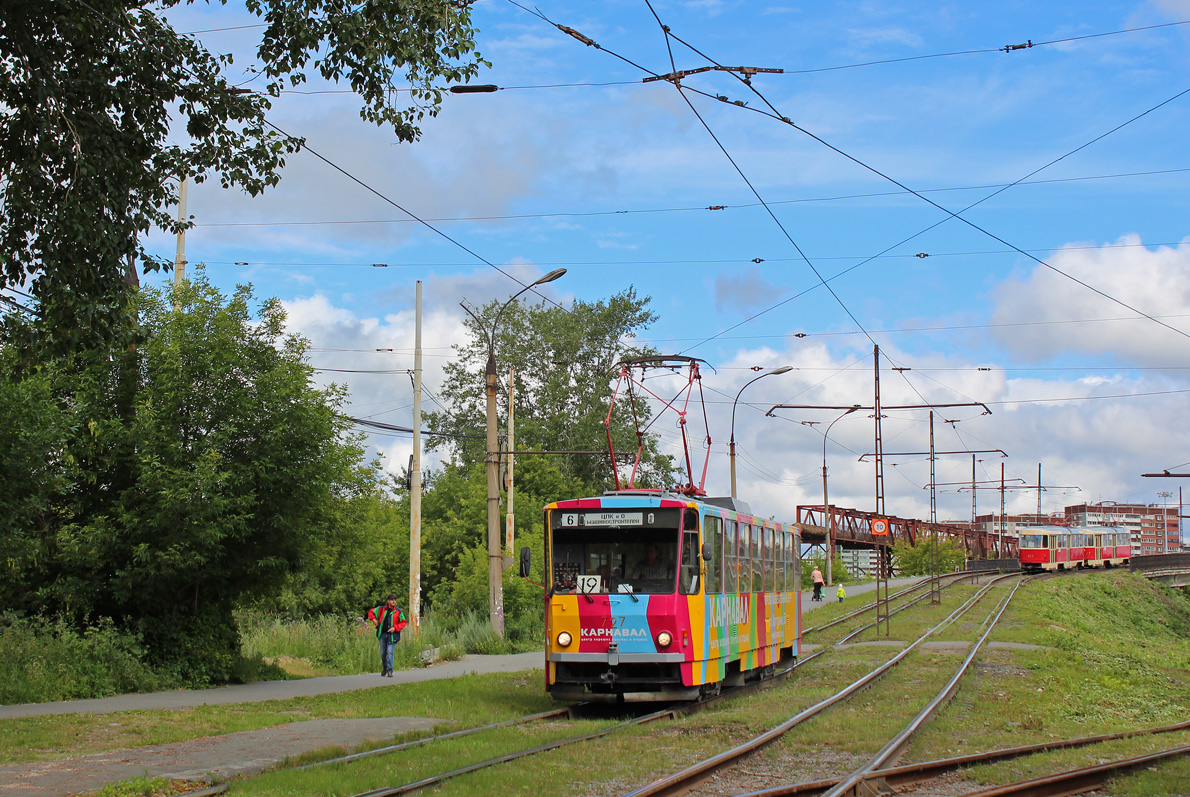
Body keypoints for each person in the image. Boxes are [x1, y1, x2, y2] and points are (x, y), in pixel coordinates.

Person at [367, 594, 408, 677]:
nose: (394, 602)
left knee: (390, 652)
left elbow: (403, 622)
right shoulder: (381, 609)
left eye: (394, 600)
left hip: (392, 635)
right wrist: (375, 621)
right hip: (383, 634)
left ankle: (390, 670)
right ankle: (385, 668)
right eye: (392, 600)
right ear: (388, 601)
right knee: (383, 653)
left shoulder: (398, 611)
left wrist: (395, 628)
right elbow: (371, 612)